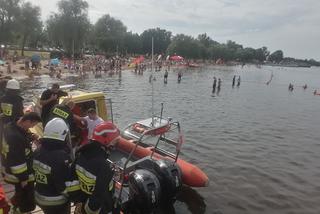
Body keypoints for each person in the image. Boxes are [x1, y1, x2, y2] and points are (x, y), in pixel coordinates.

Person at [33, 118, 80, 214]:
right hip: (55, 201)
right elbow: (63, 185)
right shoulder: (61, 156)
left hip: (40, 196)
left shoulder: (38, 151)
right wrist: (77, 198)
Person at [74, 121, 120, 214]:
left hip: (83, 200)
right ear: (107, 141)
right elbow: (99, 196)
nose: (115, 145)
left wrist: (78, 201)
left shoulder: (80, 155)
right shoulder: (103, 166)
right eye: (115, 141)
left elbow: (72, 179)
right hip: (101, 209)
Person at [1, 112, 42, 214]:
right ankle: (22, 210)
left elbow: (21, 135)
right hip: (19, 175)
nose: (32, 127)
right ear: (27, 121)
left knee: (20, 194)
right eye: (32, 125)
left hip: (10, 170)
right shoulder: (15, 138)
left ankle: (17, 208)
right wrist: (23, 178)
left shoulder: (10, 127)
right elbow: (17, 162)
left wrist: (30, 136)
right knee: (26, 197)